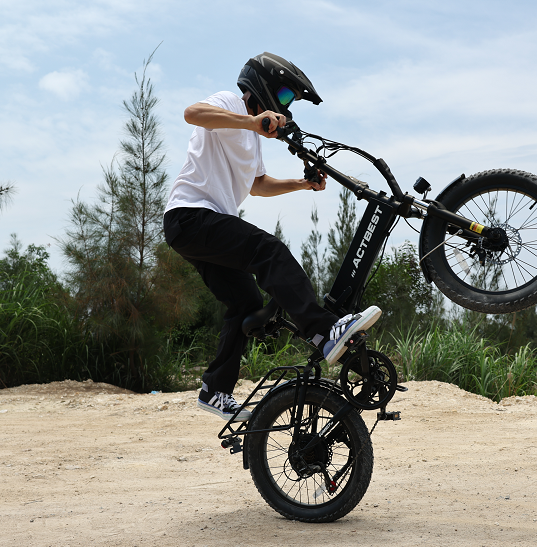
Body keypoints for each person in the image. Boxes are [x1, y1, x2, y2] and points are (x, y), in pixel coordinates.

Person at [163, 52, 382, 422]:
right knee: (268, 251)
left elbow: (257, 185)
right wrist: (251, 121)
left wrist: (301, 183)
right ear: (260, 85)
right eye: (283, 97)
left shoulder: (253, 139)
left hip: (204, 224)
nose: (285, 106)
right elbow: (192, 114)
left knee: (246, 302)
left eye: (289, 103)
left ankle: (214, 390)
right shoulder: (229, 103)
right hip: (190, 215)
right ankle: (325, 330)